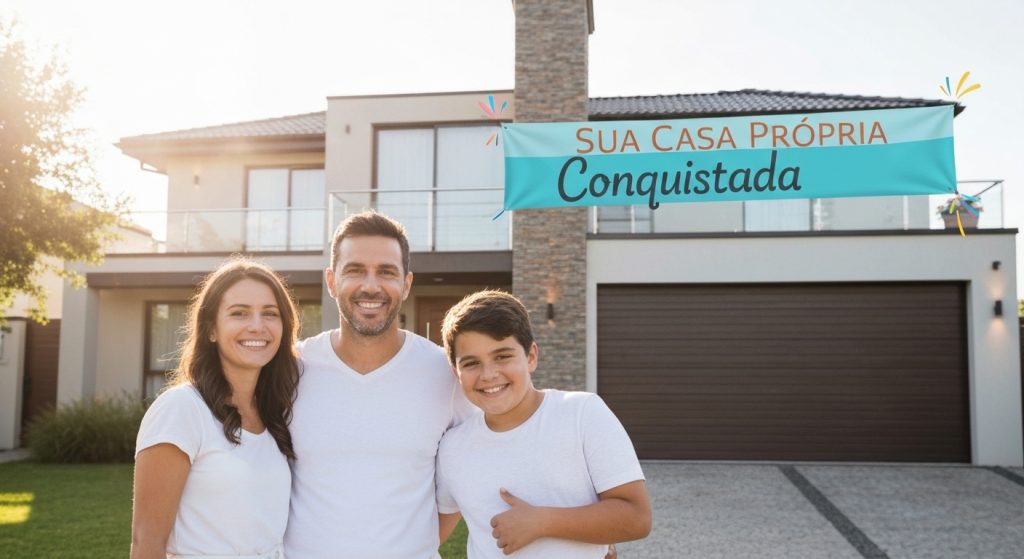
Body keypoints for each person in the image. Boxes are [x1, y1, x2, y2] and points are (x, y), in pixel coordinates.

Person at [284, 210, 475, 558]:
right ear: (331, 281)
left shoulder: (444, 372)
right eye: (355, 270)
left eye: (386, 272)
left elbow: (483, 459)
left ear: (406, 283)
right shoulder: (290, 369)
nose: (371, 286)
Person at [436, 290, 652, 558]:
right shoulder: (452, 447)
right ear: (456, 372)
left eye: (502, 356)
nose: (489, 375)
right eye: (471, 363)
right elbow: (429, 533)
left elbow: (637, 517)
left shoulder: (582, 414)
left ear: (531, 357)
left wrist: (542, 522)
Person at [131, 258, 301, 559]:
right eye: (239, 313)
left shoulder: (276, 416)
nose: (257, 326)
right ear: (211, 329)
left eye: (270, 314)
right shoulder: (182, 409)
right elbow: (147, 545)